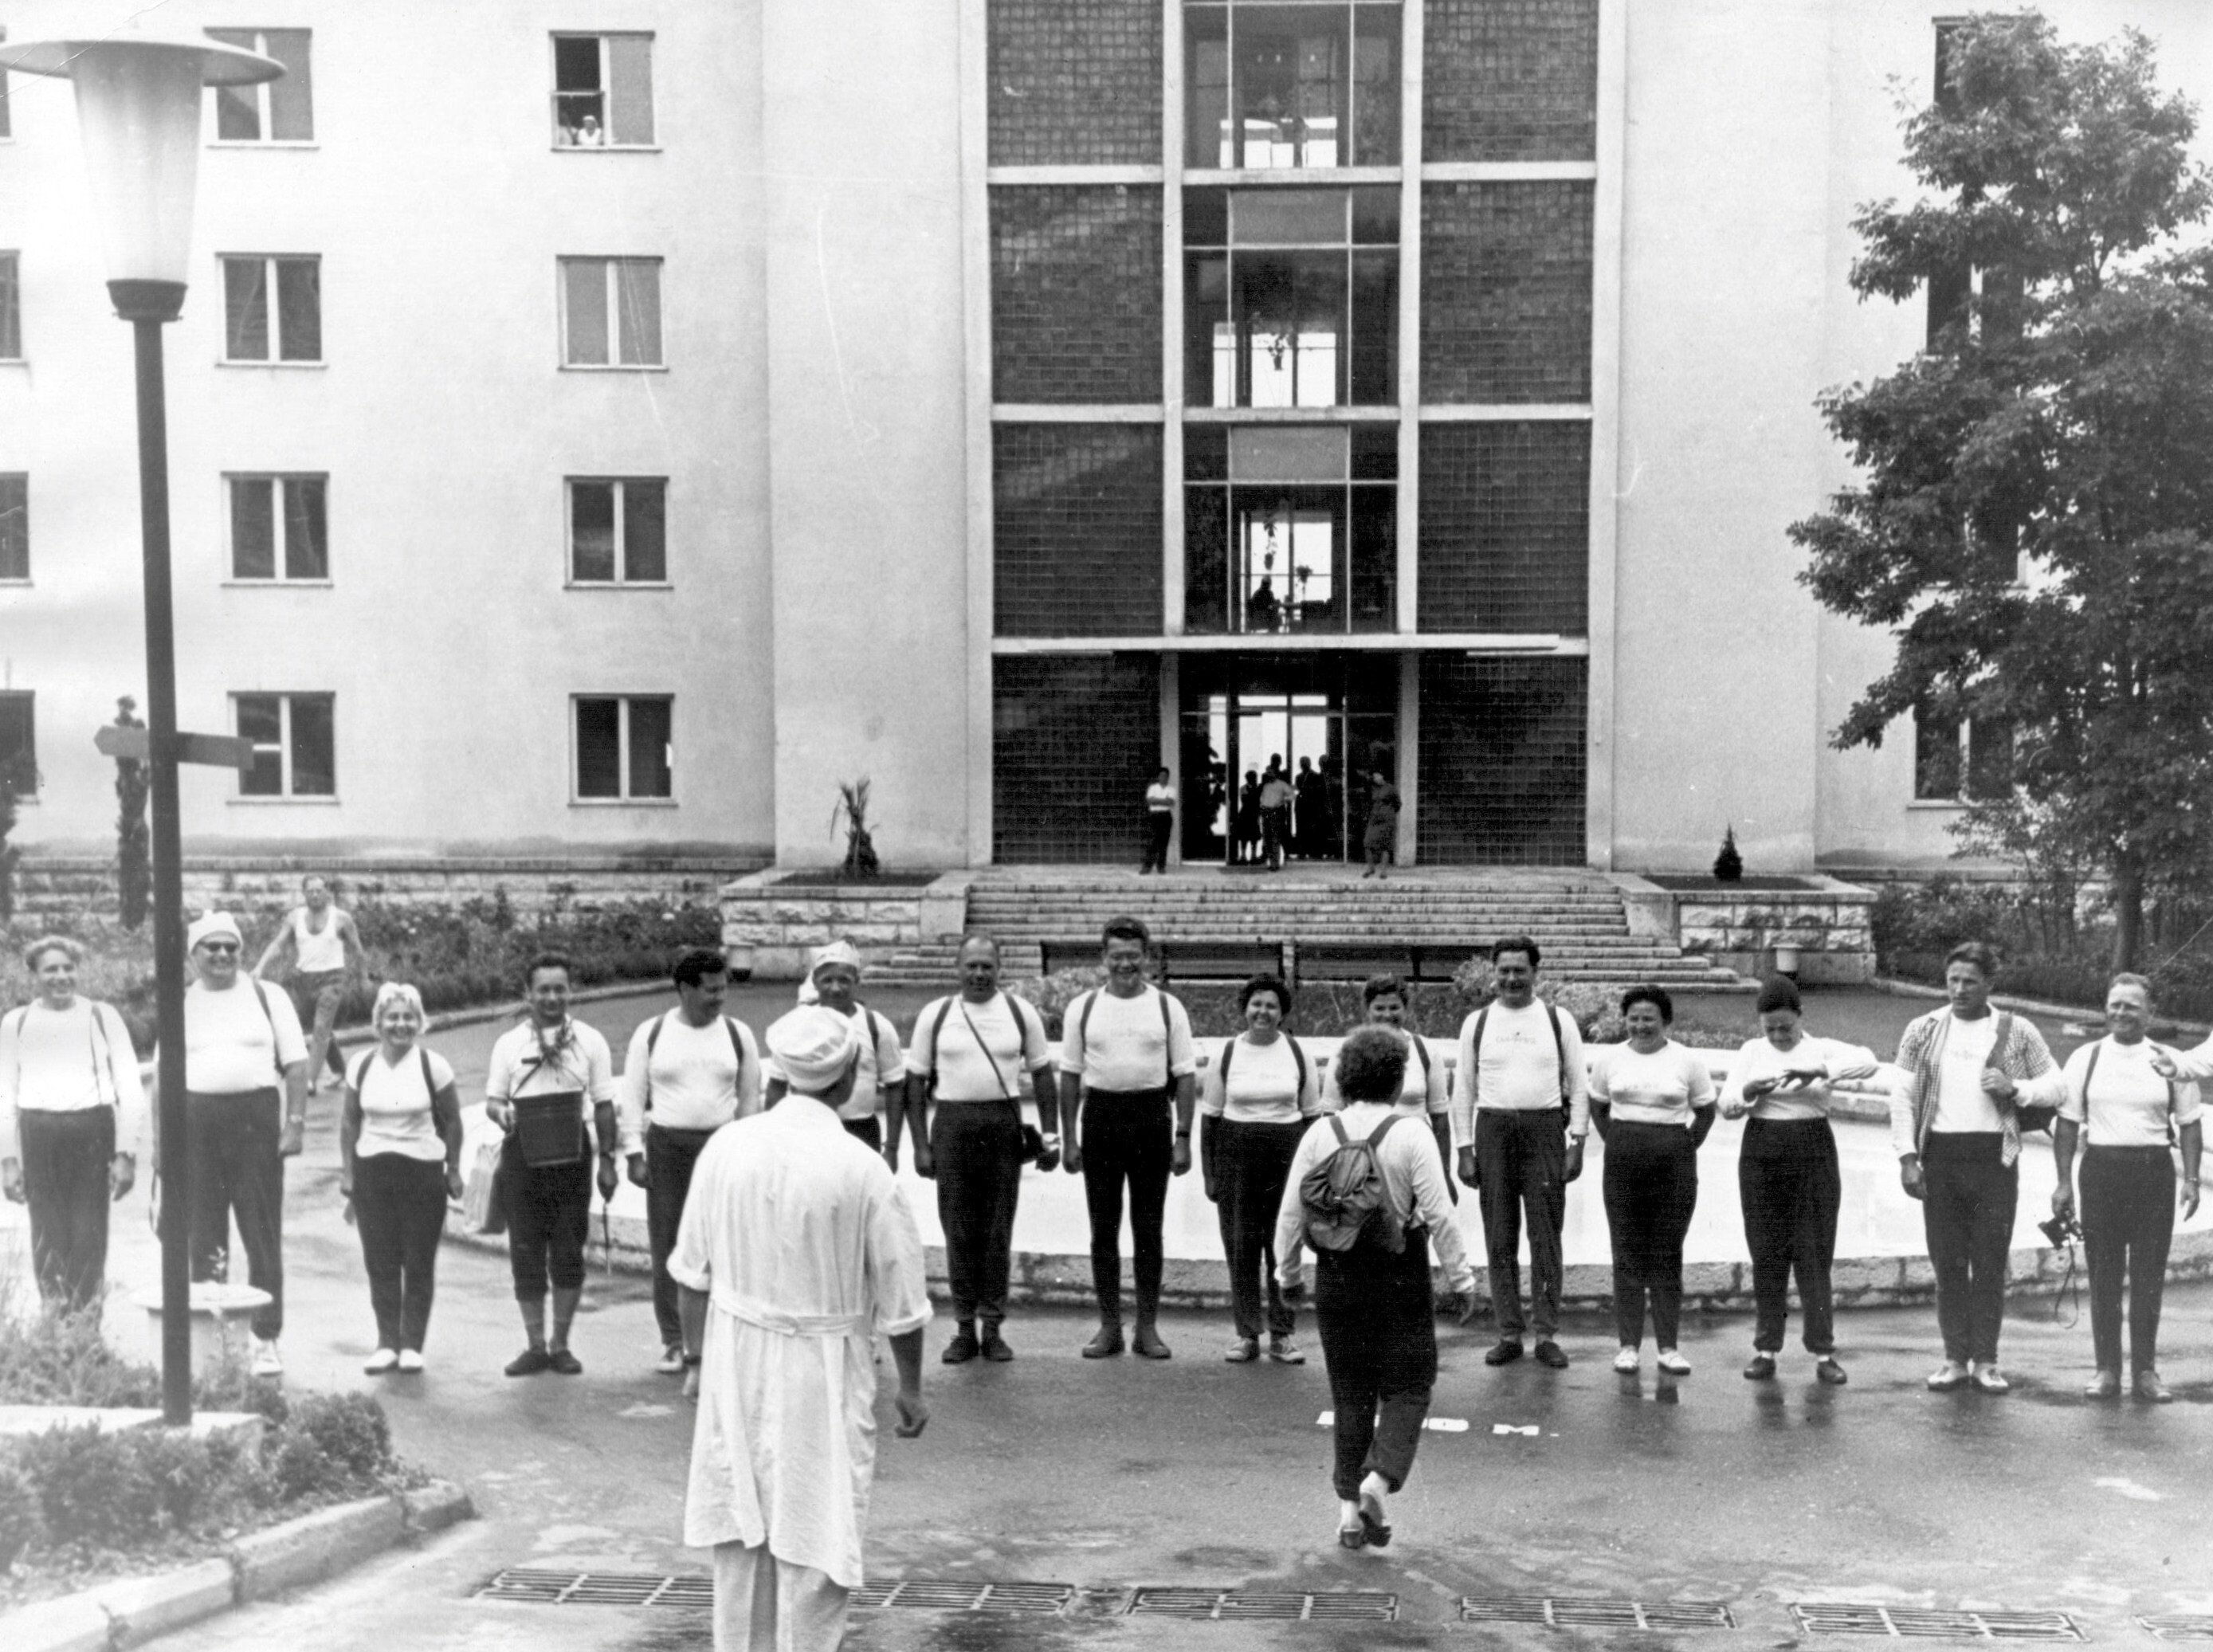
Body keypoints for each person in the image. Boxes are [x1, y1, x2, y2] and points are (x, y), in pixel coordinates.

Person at [671, 1005, 931, 1652]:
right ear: (845, 1082)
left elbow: (690, 1272)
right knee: (817, 1523)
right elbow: (902, 1295)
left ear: (778, 1074)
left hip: (735, 1354)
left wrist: (698, 1362)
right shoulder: (863, 1167)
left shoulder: (724, 1146)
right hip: (821, 1361)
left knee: (740, 1520)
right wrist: (911, 1386)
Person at [1275, 1026, 1477, 1551]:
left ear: (1343, 1079)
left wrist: (1287, 1274)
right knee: (1410, 1384)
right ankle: (1377, 1479)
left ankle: (1347, 1516)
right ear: (1395, 1079)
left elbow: (1291, 1214)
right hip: (1398, 1273)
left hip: (1337, 1275)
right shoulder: (1410, 1133)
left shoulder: (1320, 1133)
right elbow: (1439, 1213)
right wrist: (1460, 1277)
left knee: (1350, 1395)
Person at [1887, 940, 2064, 1395]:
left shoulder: (2016, 1030)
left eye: (1970, 981)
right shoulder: (1922, 1029)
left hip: (1994, 1160)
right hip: (1940, 1157)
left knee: (1988, 1263)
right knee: (1948, 1265)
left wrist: (2015, 1088)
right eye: (1953, 980)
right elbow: (1902, 1098)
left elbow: (2056, 1086)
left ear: (1990, 984)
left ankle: (1986, 1360)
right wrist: (1908, 1159)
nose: (1960, 989)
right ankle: (1953, 1360)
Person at [157, 912, 308, 1376]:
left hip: (254, 1121)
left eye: (230, 947)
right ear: (193, 955)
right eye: (211, 947)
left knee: (260, 1231)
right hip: (195, 1123)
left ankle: (265, 1338)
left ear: (241, 951)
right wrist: (163, 1149)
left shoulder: (269, 996)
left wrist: (295, 1123)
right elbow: (164, 1079)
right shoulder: (179, 1002)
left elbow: (298, 1065)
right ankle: (214, 1336)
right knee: (203, 1232)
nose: (222, 955)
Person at [1717, 976, 1879, 1383]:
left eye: (1785, 1027)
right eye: (1769, 1027)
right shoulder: (1752, 1051)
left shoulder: (1820, 1047)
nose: (1777, 1035)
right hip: (1762, 1151)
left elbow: (1870, 1061)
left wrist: (1819, 1070)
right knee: (1767, 1252)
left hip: (1812, 1150)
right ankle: (1767, 1349)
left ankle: (1824, 1353)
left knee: (1814, 1252)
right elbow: (1727, 1105)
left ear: (1800, 1018)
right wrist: (1750, 1091)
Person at [905, 936, 1058, 1363]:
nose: (978, 974)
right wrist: (920, 1145)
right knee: (957, 1229)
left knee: (996, 1230)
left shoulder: (1018, 1012)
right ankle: (962, 1328)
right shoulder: (936, 1015)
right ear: (958, 969)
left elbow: (1043, 1075)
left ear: (999, 968)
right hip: (952, 1128)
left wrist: (1051, 1138)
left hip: (1001, 1128)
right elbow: (916, 1082)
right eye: (971, 966)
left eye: (986, 967)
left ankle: (992, 1327)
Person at [2056, 975, 2203, 1402]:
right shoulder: (2087, 1057)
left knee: (2148, 1276)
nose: (2121, 1013)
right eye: (2115, 1004)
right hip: (2101, 1171)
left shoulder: (2171, 1059)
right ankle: (2106, 1369)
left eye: (2132, 1007)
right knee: (2103, 1274)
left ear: (2149, 1013)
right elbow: (2067, 1124)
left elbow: (2190, 1125)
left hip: (2152, 1172)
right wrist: (2064, 1182)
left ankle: (2145, 1371)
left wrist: (2191, 1180)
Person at [1059, 916, 1199, 1359]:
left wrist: (1182, 1136)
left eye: (1133, 956)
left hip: (1151, 1118)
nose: (1125, 964)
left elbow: (1186, 1075)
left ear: (1147, 958)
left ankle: (1148, 1327)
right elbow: (1069, 1076)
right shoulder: (1082, 1008)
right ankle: (1109, 1326)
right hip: (1100, 1118)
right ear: (1103, 958)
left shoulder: (1166, 1007)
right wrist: (1068, 1138)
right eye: (1116, 956)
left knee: (1148, 1227)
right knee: (1103, 1229)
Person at [622, 948, 765, 1375]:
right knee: (669, 1244)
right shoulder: (651, 1033)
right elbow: (632, 1096)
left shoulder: (738, 1035)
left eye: (723, 989)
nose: (720, 998)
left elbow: (749, 1099)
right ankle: (674, 1340)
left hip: (723, 1148)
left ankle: (721, 1338)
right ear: (684, 989)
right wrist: (633, 1153)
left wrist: (749, 1153)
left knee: (726, 1242)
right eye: (710, 990)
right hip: (668, 1148)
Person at [1452, 936, 1588, 1369]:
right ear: (1494, 974)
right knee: (1499, 1236)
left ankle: (1546, 1333)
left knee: (1546, 1236)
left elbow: (1579, 1084)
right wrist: (1464, 1149)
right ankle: (1509, 1331)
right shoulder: (1476, 1023)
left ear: (1535, 972)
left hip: (1544, 1130)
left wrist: (1578, 1141)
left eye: (1520, 970)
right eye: (1504, 970)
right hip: (1493, 1131)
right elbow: (1463, 1092)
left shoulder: (1556, 1019)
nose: (1512, 978)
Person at [485, 952, 619, 1377]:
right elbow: (493, 1100)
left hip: (571, 1158)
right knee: (525, 1251)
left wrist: (608, 1160)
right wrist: (500, 1113)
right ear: (528, 993)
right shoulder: (508, 1044)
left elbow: (603, 1105)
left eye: (560, 988)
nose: (552, 997)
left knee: (567, 1249)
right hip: (522, 1159)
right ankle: (534, 1345)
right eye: (543, 989)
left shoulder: (590, 1041)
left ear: (570, 991)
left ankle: (561, 1344)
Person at [0, 936, 144, 1313]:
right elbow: (5, 1094)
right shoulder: (17, 1022)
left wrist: (126, 1152)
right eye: (51, 969)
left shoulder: (102, 1015)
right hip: (40, 1134)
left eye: (68, 968)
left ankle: (86, 1329)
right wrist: (9, 1159)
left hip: (92, 1132)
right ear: (34, 975)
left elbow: (129, 1084)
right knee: (47, 1233)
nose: (62, 977)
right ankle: (56, 1330)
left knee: (88, 1233)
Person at [1588, 984, 1718, 1375]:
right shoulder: (1610, 1058)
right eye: (1634, 1018)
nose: (1641, 1026)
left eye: (1650, 1019)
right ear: (1625, 1020)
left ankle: (1668, 1347)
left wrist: (1680, 1147)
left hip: (1673, 1167)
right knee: (1626, 1251)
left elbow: (1706, 1112)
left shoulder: (1687, 1060)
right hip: (1623, 1163)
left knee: (1666, 1253)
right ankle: (1628, 1346)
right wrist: (1621, 1141)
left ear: (1666, 1022)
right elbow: (1598, 1108)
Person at [338, 983, 464, 1374]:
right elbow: (349, 1121)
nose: (401, 1024)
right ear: (379, 1022)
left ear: (419, 1021)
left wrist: (454, 1168)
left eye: (409, 1017)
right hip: (373, 1171)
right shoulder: (361, 1064)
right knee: (380, 1260)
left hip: (422, 1171)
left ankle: (412, 1344)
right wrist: (348, 1171)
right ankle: (386, 1342)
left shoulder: (433, 1065)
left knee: (418, 1260)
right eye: (393, 1017)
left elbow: (454, 1121)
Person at [1200, 973, 1320, 1364]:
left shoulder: (1298, 1054)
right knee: (1241, 1247)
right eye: (1256, 1004)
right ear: (1245, 1008)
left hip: (1287, 1158)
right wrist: (1210, 1173)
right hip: (1236, 1158)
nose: (1263, 1012)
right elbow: (1211, 1119)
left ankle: (1283, 1335)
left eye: (1271, 1005)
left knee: (1283, 1245)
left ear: (1282, 1012)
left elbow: (1313, 1119)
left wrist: (1313, 1176)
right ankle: (1247, 1334)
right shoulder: (1228, 1053)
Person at [767, 941, 899, 1152]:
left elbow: (895, 1086)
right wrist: (773, 1140)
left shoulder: (877, 1026)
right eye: (827, 980)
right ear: (815, 982)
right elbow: (776, 1084)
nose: (835, 988)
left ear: (857, 981)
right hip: (807, 1130)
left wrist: (892, 1148)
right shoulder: (797, 1025)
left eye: (844, 980)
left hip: (860, 1131)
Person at [1321, 975, 1453, 1188]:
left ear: (1406, 1009)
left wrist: (1444, 1176)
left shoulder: (1425, 1050)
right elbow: (1329, 1116)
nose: (1387, 1015)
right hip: (1362, 1160)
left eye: (1394, 1008)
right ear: (1367, 1010)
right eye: (1379, 1008)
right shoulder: (1345, 1051)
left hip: (1414, 1158)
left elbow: (1440, 1120)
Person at [252, 873, 363, 1097]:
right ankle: (340, 1069)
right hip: (305, 980)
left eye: (319, 890)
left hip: (333, 979)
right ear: (303, 894)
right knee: (318, 1028)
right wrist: (260, 967)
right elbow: (278, 944)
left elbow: (357, 950)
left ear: (327, 893)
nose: (314, 895)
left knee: (321, 1028)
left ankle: (309, 1081)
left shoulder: (341, 919)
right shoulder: (295, 918)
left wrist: (364, 977)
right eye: (310, 891)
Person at [1362, 772, 1401, 881]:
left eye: (1377, 776)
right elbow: (1369, 803)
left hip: (1387, 820)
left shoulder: (1391, 789)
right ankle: (1371, 867)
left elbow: (1398, 804)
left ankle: (1383, 871)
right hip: (1374, 820)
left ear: (1382, 776)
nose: (1375, 779)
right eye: (1374, 777)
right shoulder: (1373, 789)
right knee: (1367, 842)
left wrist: (1389, 813)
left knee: (1385, 845)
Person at [1258, 763, 1294, 871]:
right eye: (1268, 772)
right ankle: (1270, 861)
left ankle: (1275, 863)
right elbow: (1262, 798)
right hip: (1265, 811)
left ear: (1275, 773)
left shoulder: (1282, 784)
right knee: (1267, 838)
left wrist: (1283, 801)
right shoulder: (1266, 786)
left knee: (1275, 838)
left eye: (1271, 772)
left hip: (1275, 812)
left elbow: (1292, 795)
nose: (1269, 774)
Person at [1141, 767, 1176, 874]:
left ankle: (1161, 867)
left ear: (1168, 777)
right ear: (1158, 777)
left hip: (1166, 816)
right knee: (1153, 841)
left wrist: (1157, 801)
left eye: (1165, 776)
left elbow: (1170, 802)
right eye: (1161, 775)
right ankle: (1147, 867)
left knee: (1164, 842)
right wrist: (1163, 801)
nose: (1163, 778)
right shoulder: (1153, 788)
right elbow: (1150, 801)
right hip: (1154, 816)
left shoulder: (1172, 789)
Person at [1293, 756, 1326, 859]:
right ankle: (1303, 851)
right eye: (1302, 763)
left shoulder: (1315, 776)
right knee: (1301, 829)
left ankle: (1314, 851)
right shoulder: (1299, 777)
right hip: (1303, 805)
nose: (1303, 765)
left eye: (1305, 763)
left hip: (1311, 805)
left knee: (1312, 828)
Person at [1234, 770, 1261, 865]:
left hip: (1248, 813)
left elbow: (1246, 799)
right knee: (1244, 837)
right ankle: (1244, 856)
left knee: (1252, 837)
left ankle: (1252, 855)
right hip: (1248, 814)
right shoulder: (1257, 789)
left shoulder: (1244, 789)